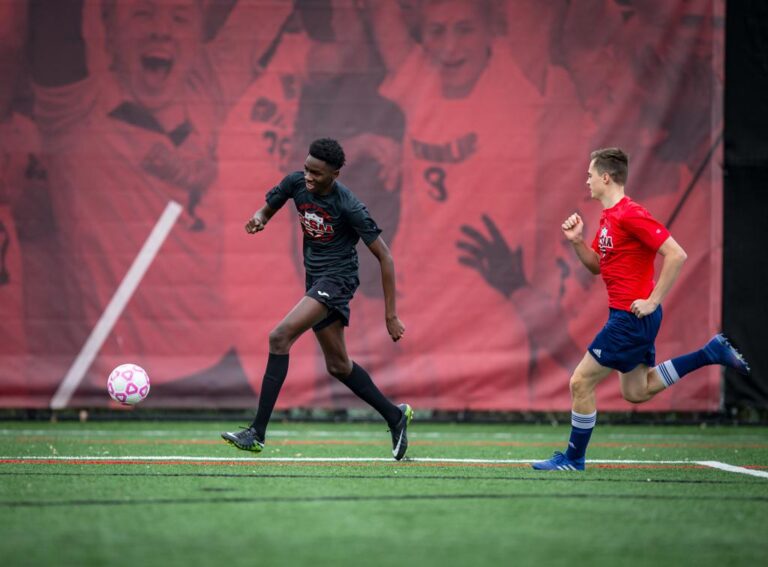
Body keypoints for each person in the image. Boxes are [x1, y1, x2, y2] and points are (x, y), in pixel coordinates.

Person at [532, 148, 750, 471]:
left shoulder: (629, 213)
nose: (587, 180)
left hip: (631, 317)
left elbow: (676, 254)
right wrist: (577, 241)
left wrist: (652, 301)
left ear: (606, 177)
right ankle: (709, 353)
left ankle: (574, 459)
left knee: (580, 382)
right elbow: (596, 266)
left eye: (590, 174)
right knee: (637, 390)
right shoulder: (608, 217)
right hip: (630, 317)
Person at [221, 138, 413, 460]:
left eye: (317, 174)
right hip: (316, 280)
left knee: (279, 337)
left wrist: (390, 315)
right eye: (307, 169)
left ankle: (256, 433)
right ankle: (395, 416)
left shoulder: (348, 205)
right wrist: (259, 218)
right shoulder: (296, 182)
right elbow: (269, 207)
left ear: (335, 174)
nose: (309, 178)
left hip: (338, 280)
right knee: (339, 366)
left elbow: (386, 258)